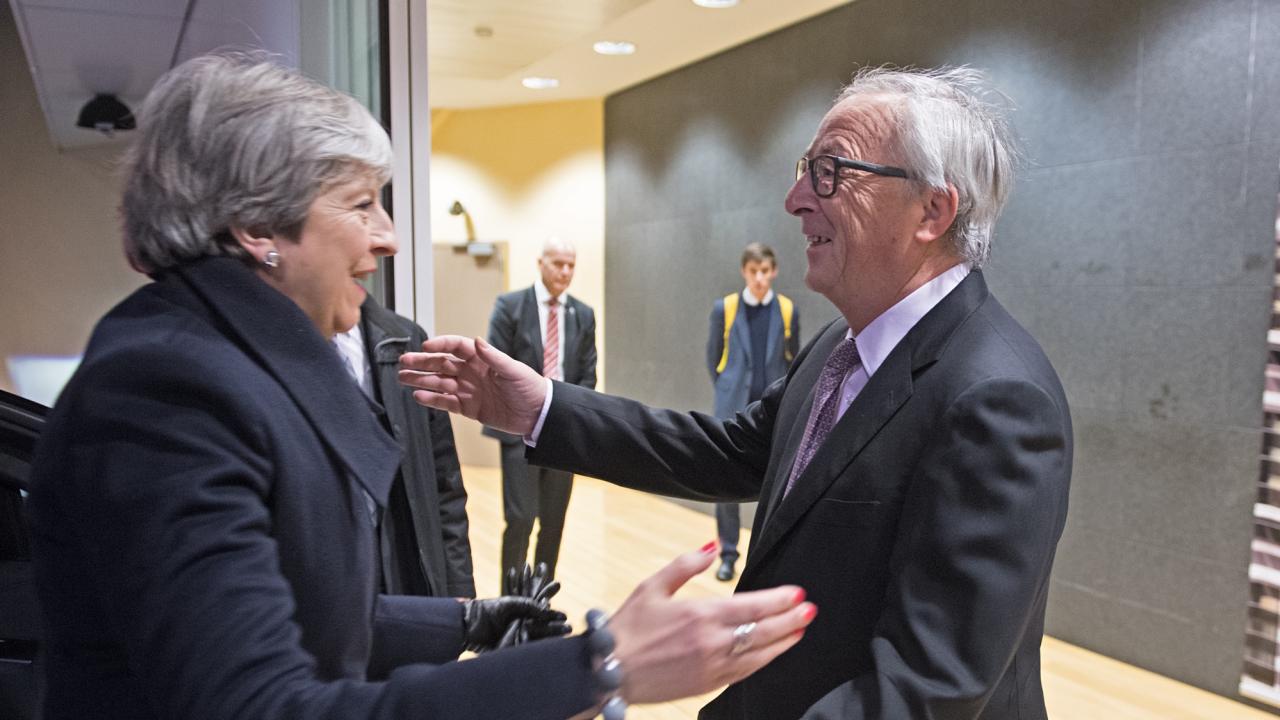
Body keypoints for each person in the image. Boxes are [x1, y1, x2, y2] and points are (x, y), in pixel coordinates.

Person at [25, 53, 816, 720]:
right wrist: (601, 667)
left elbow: (299, 605)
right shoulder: (168, 390)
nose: (389, 237)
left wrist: (462, 620)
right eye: (362, 204)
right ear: (256, 228)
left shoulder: (225, 363)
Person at [402, 65, 1073, 719]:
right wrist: (541, 406)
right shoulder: (842, 345)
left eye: (830, 172)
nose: (796, 199)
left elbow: (928, 688)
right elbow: (726, 451)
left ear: (932, 210)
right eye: (803, 170)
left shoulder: (998, 400)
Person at [334, 295, 476, 598]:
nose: (386, 245)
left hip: (402, 576)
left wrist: (457, 589)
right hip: (331, 594)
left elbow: (445, 483)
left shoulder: (407, 340)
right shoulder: (267, 351)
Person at [483, 238, 596, 592]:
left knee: (553, 522)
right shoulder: (510, 306)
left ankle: (540, 599)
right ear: (540, 262)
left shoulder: (584, 314)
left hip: (562, 431)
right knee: (520, 519)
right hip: (518, 428)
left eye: (571, 265)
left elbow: (587, 374)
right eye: (558, 263)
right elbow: (495, 367)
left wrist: (571, 416)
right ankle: (509, 602)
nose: (565, 271)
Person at [705, 243, 799, 582]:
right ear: (744, 271)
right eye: (753, 271)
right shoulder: (725, 309)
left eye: (765, 271)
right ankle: (728, 554)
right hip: (732, 408)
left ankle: (765, 557)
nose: (759, 278)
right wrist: (729, 391)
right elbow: (713, 360)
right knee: (723, 482)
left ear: (773, 271)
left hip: (773, 411)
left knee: (775, 482)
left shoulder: (787, 310)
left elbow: (794, 361)